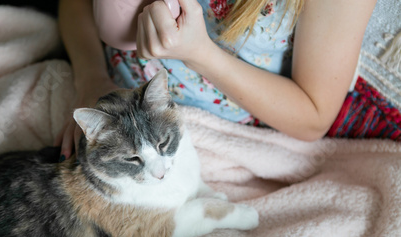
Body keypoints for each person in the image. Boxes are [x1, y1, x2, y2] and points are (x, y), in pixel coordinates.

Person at [56, 0, 378, 161]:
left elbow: (313, 116)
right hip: (100, 90)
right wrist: (90, 79)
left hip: (214, 140)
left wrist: (200, 54)